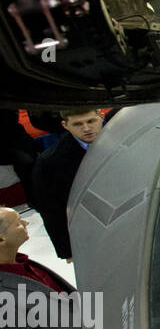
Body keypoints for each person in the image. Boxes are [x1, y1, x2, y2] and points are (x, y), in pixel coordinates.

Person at [30, 109, 103, 263]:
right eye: (78, 124)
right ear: (65, 125)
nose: (86, 128)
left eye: (91, 121)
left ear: (101, 117)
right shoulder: (50, 162)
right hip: (88, 231)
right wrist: (67, 250)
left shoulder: (123, 141)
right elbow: (51, 209)